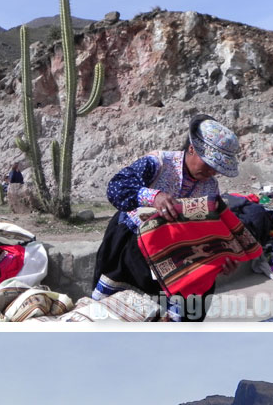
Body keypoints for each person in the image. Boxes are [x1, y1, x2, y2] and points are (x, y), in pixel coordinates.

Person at [92, 114, 249, 320]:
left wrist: (223, 257)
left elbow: (210, 228)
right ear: (192, 149)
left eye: (217, 168)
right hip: (132, 245)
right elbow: (117, 187)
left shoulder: (210, 187)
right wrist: (153, 196)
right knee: (117, 314)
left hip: (179, 253)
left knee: (186, 305)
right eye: (209, 164)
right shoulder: (159, 162)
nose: (212, 171)